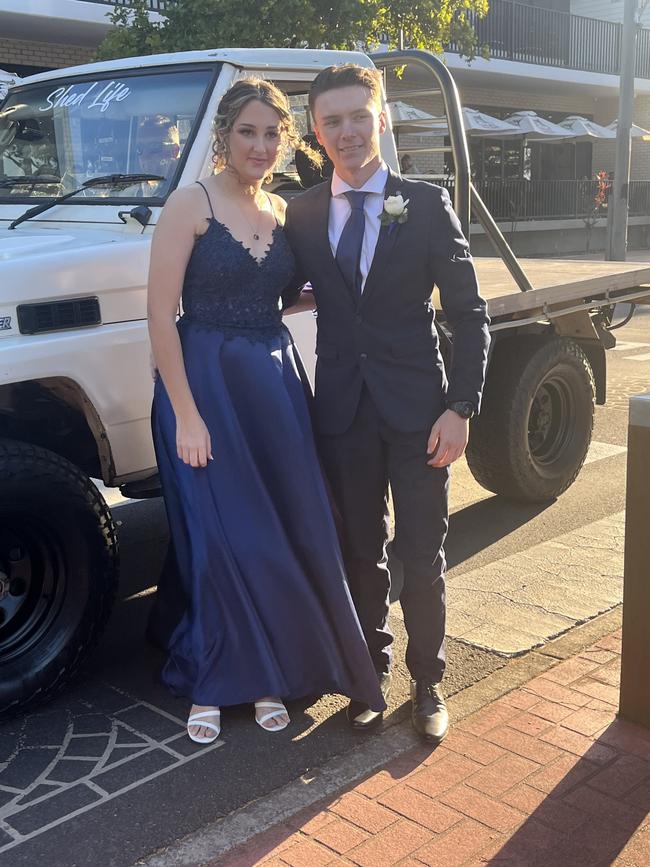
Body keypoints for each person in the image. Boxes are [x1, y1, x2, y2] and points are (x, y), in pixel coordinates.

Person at [147, 77, 385, 744]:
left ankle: (275, 669)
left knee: (285, 530)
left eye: (272, 133)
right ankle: (216, 675)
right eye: (248, 131)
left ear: (286, 140)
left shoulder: (283, 211)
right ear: (224, 136)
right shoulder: (189, 205)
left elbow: (276, 298)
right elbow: (160, 317)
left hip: (276, 385)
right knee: (223, 536)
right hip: (202, 387)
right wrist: (186, 416)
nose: (260, 144)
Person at [284, 65, 490, 743]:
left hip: (420, 414)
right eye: (331, 120)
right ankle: (367, 676)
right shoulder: (305, 212)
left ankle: (427, 680)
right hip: (342, 411)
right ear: (316, 130)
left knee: (423, 551)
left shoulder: (424, 202)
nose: (346, 132)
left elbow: (469, 312)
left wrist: (461, 406)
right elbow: (277, 284)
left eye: (357, 116)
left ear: (381, 117)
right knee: (359, 553)